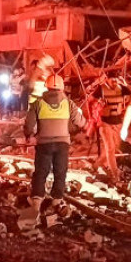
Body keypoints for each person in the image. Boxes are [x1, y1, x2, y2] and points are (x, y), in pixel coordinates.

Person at [24, 73, 86, 204]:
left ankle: (37, 199)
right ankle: (57, 200)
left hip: (44, 143)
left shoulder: (37, 103)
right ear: (62, 87)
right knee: (60, 171)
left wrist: (28, 135)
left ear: (46, 87)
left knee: (41, 171)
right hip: (62, 143)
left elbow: (29, 123)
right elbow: (81, 123)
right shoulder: (69, 103)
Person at [96, 75, 129, 182]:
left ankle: (98, 165)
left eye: (116, 79)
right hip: (105, 123)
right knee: (110, 148)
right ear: (107, 79)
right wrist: (99, 105)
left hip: (118, 123)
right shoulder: (101, 89)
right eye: (112, 78)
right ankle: (115, 174)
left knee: (114, 147)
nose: (114, 81)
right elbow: (91, 101)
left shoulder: (121, 88)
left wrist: (125, 84)